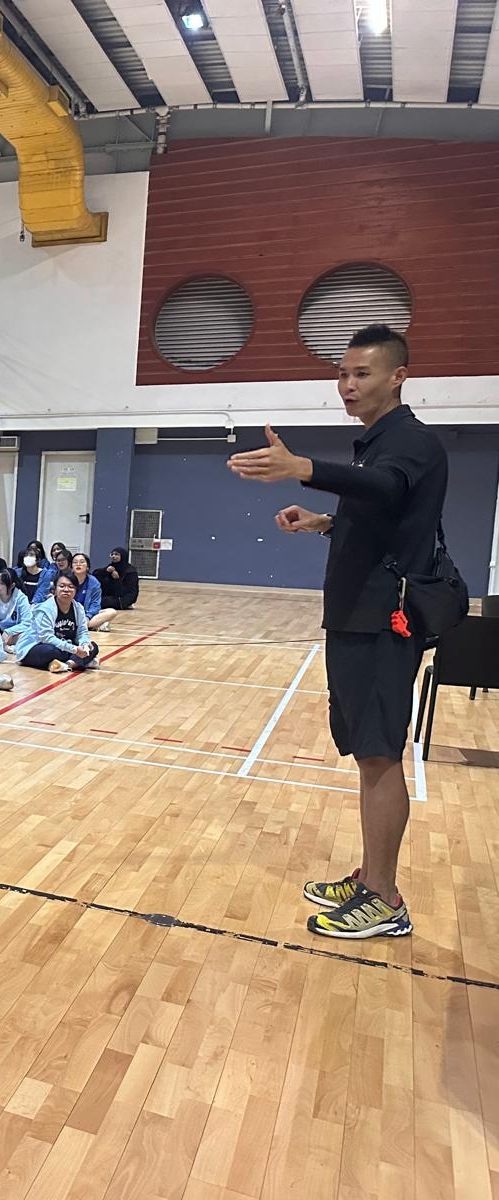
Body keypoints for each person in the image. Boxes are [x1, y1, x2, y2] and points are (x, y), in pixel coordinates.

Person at [227, 323, 446, 940]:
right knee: (367, 753)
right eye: (343, 374)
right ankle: (371, 877)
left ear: (398, 377)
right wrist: (325, 523)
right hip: (356, 616)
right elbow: (385, 516)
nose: (348, 384)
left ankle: (385, 898)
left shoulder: (410, 442)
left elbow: (387, 487)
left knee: (380, 753)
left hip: (383, 620)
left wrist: (301, 467)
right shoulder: (375, 443)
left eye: (362, 374)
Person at [16, 570, 100, 674]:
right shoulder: (45, 609)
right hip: (36, 647)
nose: (66, 590)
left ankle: (68, 665)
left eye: (71, 587)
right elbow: (46, 638)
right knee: (50, 651)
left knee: (93, 646)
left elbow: (82, 632)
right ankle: (80, 662)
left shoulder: (79, 608)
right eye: (62, 586)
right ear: (55, 589)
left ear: (76, 590)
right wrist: (74, 649)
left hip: (64, 646)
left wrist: (85, 643)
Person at [70, 553, 118, 632]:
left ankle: (81, 625)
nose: (78, 564)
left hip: (86, 614)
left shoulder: (94, 582)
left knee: (111, 612)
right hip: (69, 614)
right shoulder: (66, 580)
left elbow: (95, 604)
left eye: (82, 562)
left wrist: (88, 616)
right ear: (71, 566)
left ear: (87, 566)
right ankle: (93, 625)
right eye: (75, 562)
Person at [0, 568, 32, 647]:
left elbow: (27, 622)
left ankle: (5, 645)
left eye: (2, 583)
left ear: (12, 585)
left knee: (27, 636)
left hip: (13, 634)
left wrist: (9, 631)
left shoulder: (21, 598)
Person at [99, 547, 140, 616]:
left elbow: (126, 591)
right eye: (112, 554)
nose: (113, 556)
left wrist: (117, 579)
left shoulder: (131, 571)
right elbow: (96, 574)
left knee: (101, 602)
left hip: (124, 598)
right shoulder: (111, 567)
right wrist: (105, 571)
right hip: (111, 595)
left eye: (116, 554)